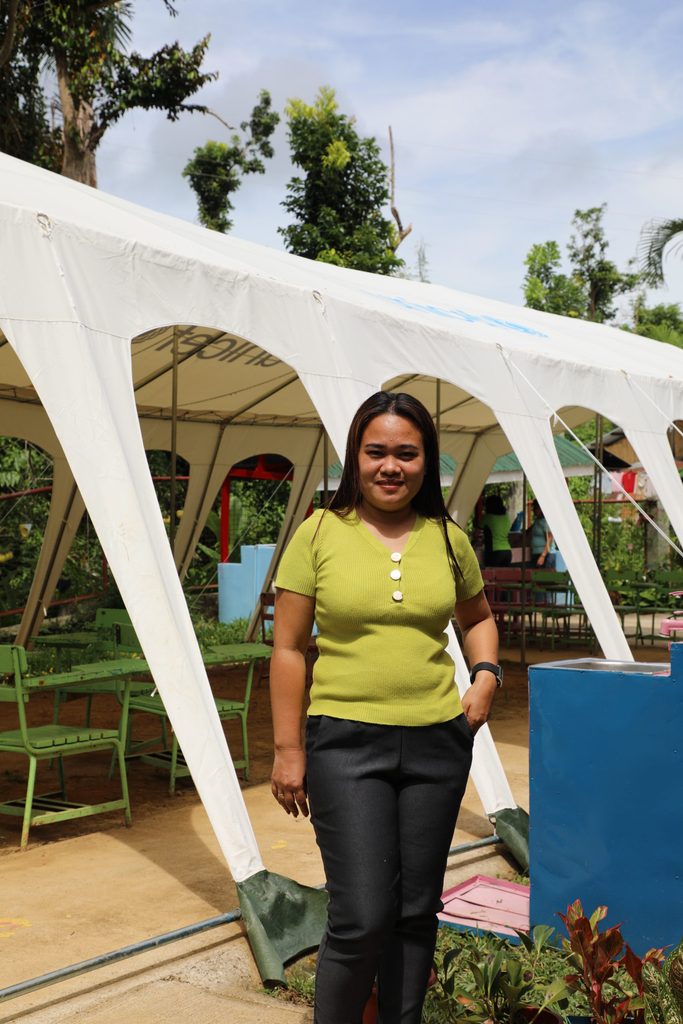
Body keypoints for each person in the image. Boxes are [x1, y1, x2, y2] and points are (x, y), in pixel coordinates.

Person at [270, 391, 500, 1024]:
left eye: (407, 453)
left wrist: (485, 675)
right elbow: (287, 648)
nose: (391, 466)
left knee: (415, 913)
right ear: (355, 457)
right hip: (345, 745)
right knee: (362, 914)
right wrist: (288, 749)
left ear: (427, 461)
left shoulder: (448, 539)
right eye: (376, 452)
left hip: (437, 744)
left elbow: (478, 617)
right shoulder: (318, 534)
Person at [479, 493, 512, 567]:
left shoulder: (488, 517)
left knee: (491, 573)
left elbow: (478, 530)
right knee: (505, 574)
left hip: (494, 552)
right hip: (507, 551)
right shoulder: (506, 517)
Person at [527, 499, 557, 569]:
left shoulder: (546, 522)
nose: (534, 510)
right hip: (537, 553)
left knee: (545, 574)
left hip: (547, 555)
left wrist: (543, 556)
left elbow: (549, 539)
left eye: (536, 508)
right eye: (533, 508)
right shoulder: (537, 521)